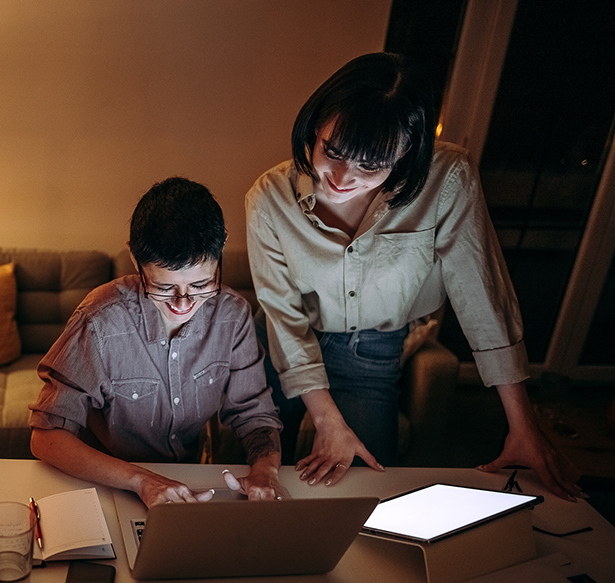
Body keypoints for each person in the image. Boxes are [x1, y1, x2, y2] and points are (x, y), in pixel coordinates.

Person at [244, 52, 582, 500]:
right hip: (279, 344)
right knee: (255, 476)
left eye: (371, 165)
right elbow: (282, 317)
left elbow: (481, 294)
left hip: (374, 351)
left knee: (369, 493)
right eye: (333, 152)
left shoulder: (448, 179)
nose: (342, 179)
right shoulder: (269, 197)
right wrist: (326, 419)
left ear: (408, 153)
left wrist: (523, 424)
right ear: (314, 125)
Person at [30, 177, 285, 507]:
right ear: (135, 260)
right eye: (164, 288)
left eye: (201, 284)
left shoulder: (232, 316)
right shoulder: (100, 320)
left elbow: (256, 416)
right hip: (104, 484)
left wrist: (266, 471)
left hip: (187, 484)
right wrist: (141, 480)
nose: (183, 303)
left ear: (221, 249)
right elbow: (46, 436)